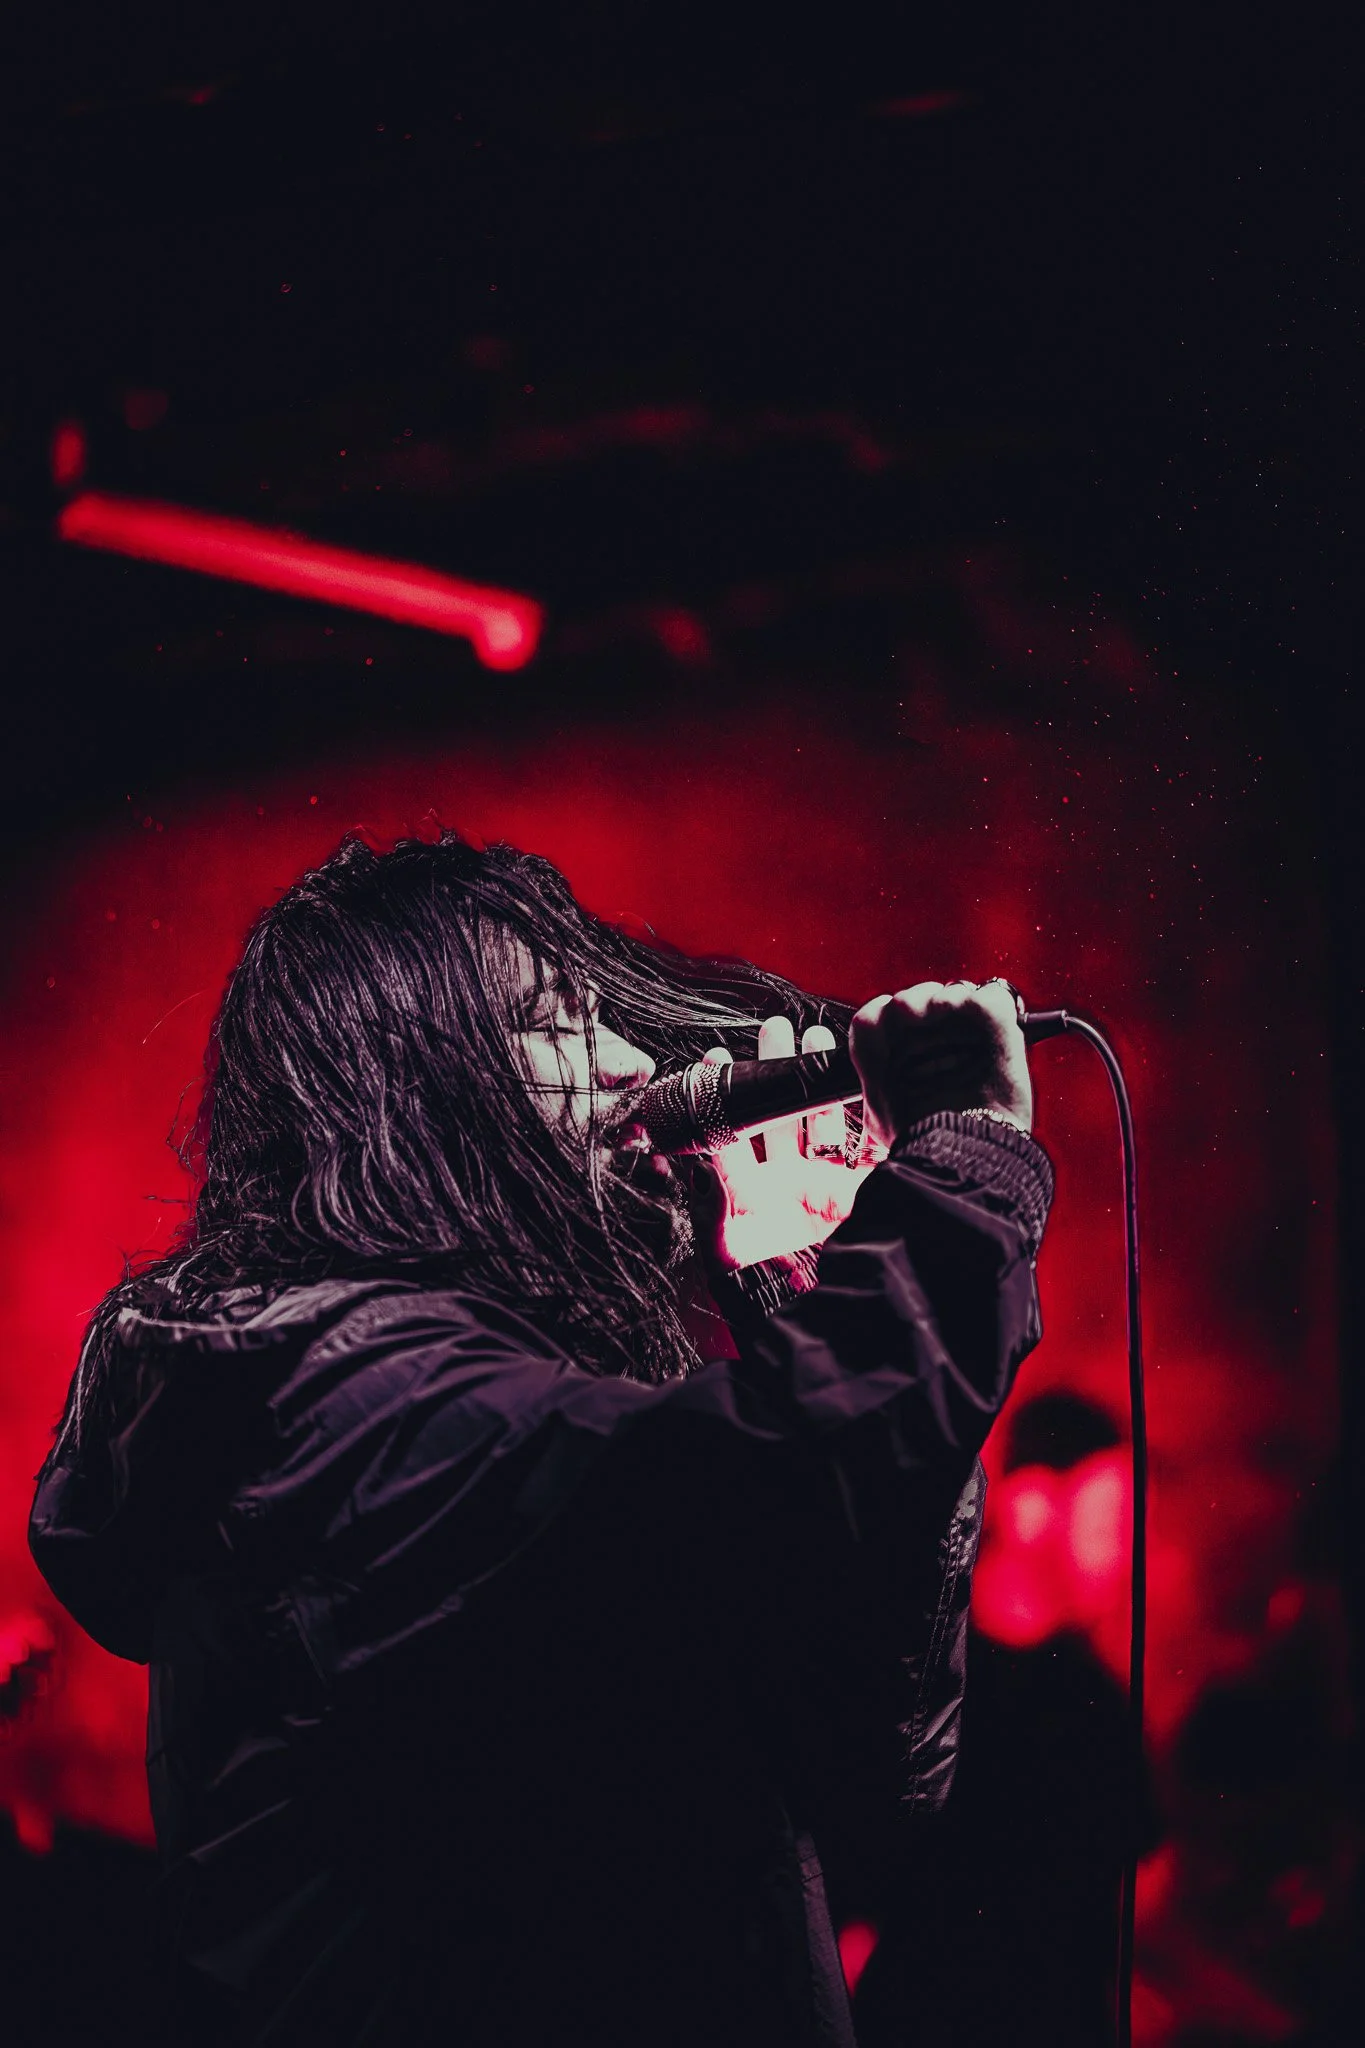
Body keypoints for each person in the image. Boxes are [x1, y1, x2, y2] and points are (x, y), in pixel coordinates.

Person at [29, 830, 1053, 2047]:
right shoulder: (357, 1407)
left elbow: (880, 1766)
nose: (628, 1058)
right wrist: (966, 1166)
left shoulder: (480, 1396)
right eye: (557, 1019)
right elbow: (781, 1485)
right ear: (418, 1088)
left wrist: (788, 1283)